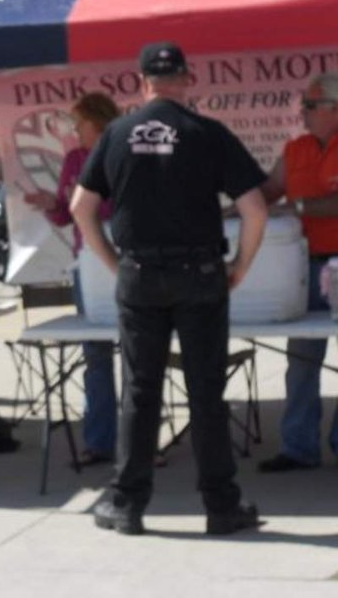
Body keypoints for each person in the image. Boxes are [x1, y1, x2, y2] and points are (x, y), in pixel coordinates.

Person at [70, 41, 267, 537]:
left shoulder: (116, 134)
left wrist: (114, 263)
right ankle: (221, 506)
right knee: (206, 391)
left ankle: (126, 503)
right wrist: (240, 266)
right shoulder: (208, 133)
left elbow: (80, 208)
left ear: (142, 83)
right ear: (186, 79)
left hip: (140, 274)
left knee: (140, 390)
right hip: (200, 274)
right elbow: (255, 209)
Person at [24, 92, 119, 466]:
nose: (74, 131)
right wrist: (51, 205)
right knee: (96, 355)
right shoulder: (75, 160)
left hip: (127, 263)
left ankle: (142, 443)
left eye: (78, 124)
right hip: (88, 268)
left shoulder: (125, 153)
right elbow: (66, 215)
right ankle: (99, 441)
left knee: (139, 356)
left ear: (96, 122)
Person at [256, 73, 338, 472]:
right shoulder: (295, 149)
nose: (302, 113)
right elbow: (269, 192)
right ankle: (298, 448)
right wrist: (235, 206)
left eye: (310, 106)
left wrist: (298, 207)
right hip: (303, 268)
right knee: (301, 359)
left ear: (334, 109)